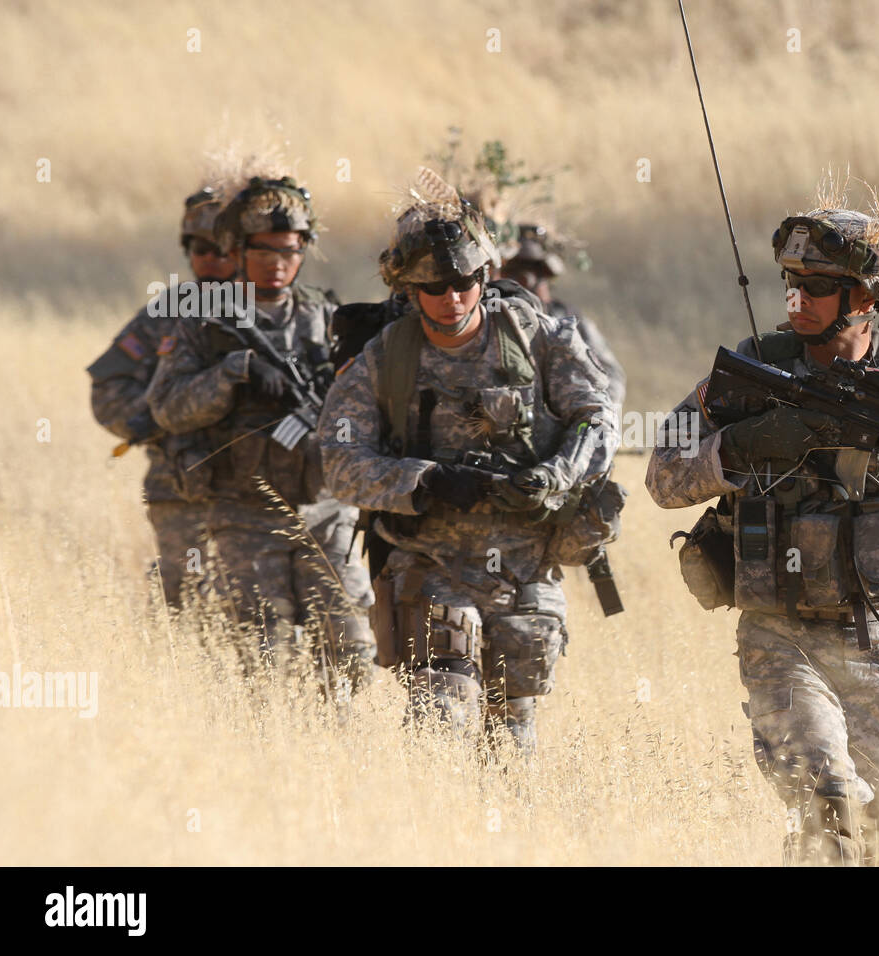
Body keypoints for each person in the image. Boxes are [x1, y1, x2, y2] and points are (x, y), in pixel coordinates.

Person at [645, 185, 879, 865]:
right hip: (777, 634)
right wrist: (745, 445)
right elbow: (663, 475)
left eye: (818, 285)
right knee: (825, 804)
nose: (798, 298)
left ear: (869, 297)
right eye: (791, 282)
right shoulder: (749, 372)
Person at [318, 168, 618, 754]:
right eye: (434, 288)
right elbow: (339, 459)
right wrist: (423, 481)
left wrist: (558, 473)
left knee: (511, 741)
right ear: (408, 289)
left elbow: (598, 419)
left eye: (463, 282)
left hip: (526, 574)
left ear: (483, 275)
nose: (451, 298)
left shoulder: (540, 339)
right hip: (430, 567)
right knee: (438, 721)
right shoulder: (386, 357)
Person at [147, 174, 375, 690]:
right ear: (238, 249)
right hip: (245, 515)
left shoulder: (328, 317)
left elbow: (370, 403)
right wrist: (233, 372)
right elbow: (167, 408)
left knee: (352, 654)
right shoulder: (204, 323)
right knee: (263, 661)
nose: (277, 263)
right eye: (264, 250)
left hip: (326, 512)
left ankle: (342, 758)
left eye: (289, 251)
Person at [87, 185, 236, 607]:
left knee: (258, 600)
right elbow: (109, 388)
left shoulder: (274, 309)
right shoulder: (168, 311)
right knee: (184, 595)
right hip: (180, 484)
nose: (210, 258)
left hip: (259, 485)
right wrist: (163, 416)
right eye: (199, 248)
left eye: (222, 249)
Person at [499, 223, 625, 408]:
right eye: (514, 271)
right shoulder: (494, 318)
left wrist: (594, 418)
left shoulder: (568, 320)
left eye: (534, 270)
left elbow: (611, 378)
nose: (523, 279)